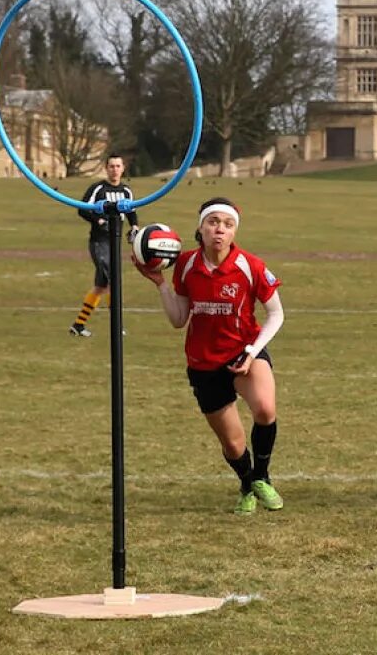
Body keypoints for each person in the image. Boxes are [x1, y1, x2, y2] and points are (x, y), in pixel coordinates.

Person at [133, 197, 284, 514]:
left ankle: (262, 476)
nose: (220, 229)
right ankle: (247, 486)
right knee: (232, 443)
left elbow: (276, 314)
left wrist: (252, 351)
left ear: (234, 232)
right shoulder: (186, 265)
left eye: (227, 225)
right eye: (213, 222)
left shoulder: (251, 266)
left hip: (244, 351)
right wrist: (160, 284)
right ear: (200, 228)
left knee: (265, 409)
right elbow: (179, 320)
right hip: (203, 363)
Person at [70, 154, 140, 337]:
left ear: (123, 168)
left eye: (118, 166)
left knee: (101, 286)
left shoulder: (126, 191)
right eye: (111, 166)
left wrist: (134, 226)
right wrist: (99, 220)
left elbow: (131, 211)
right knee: (112, 282)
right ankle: (117, 325)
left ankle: (78, 325)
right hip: (99, 243)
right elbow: (82, 209)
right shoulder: (98, 188)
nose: (115, 169)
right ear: (106, 168)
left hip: (114, 244)